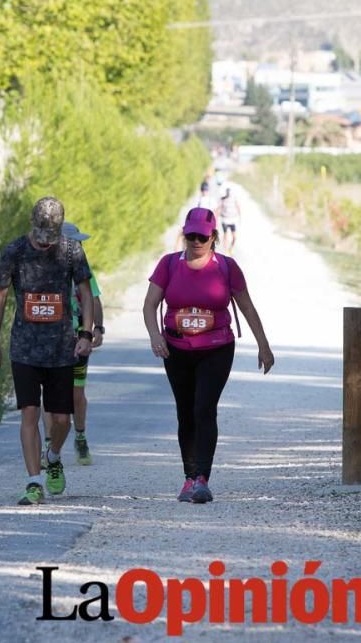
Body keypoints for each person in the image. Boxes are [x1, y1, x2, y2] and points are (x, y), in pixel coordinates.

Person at [143, 207, 274, 504]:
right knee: (185, 412)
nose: (196, 240)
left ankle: (202, 478)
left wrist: (263, 346)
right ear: (184, 234)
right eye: (191, 235)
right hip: (176, 349)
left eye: (202, 235)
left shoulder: (226, 267)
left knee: (204, 408)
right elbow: (150, 304)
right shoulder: (169, 264)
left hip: (216, 349)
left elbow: (247, 308)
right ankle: (189, 478)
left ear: (213, 236)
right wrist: (155, 336)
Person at [0, 197, 95, 505]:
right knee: (29, 413)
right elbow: (0, 296)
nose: (46, 243)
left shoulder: (72, 251)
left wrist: (86, 332)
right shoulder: (15, 251)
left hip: (62, 348)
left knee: (61, 420)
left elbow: (85, 292)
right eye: (42, 236)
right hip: (25, 347)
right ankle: (34, 482)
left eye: (52, 236)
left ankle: (54, 454)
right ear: (32, 225)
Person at [42, 222, 104, 467]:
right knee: (49, 394)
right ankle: (49, 443)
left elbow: (94, 299)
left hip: (78, 337)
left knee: (76, 393)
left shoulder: (83, 270)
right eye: (75, 242)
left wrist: (96, 328)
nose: (80, 246)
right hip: (48, 339)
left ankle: (79, 435)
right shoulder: (43, 271)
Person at [215, 186, 241, 254]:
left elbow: (238, 207)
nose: (228, 194)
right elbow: (218, 209)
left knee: (234, 237)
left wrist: (239, 217)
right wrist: (216, 220)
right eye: (227, 193)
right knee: (225, 235)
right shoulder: (223, 199)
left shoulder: (234, 199)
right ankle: (226, 251)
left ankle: (230, 249)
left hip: (232, 220)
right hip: (225, 220)